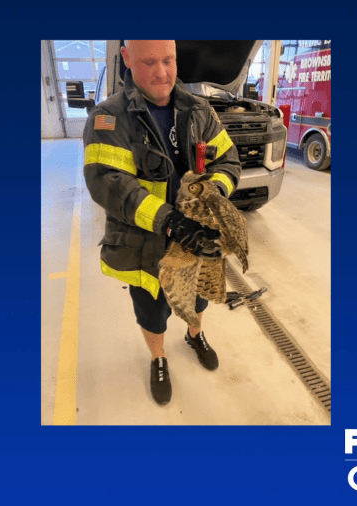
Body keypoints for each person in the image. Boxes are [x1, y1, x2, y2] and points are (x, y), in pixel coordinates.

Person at [82, 40, 242, 406]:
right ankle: (158, 358)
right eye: (149, 62)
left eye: (168, 60)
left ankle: (194, 334)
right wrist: (170, 221)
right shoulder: (108, 118)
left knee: (198, 296)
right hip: (145, 245)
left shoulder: (198, 110)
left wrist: (213, 192)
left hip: (196, 240)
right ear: (126, 59)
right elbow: (109, 183)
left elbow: (229, 160)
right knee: (152, 311)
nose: (162, 72)